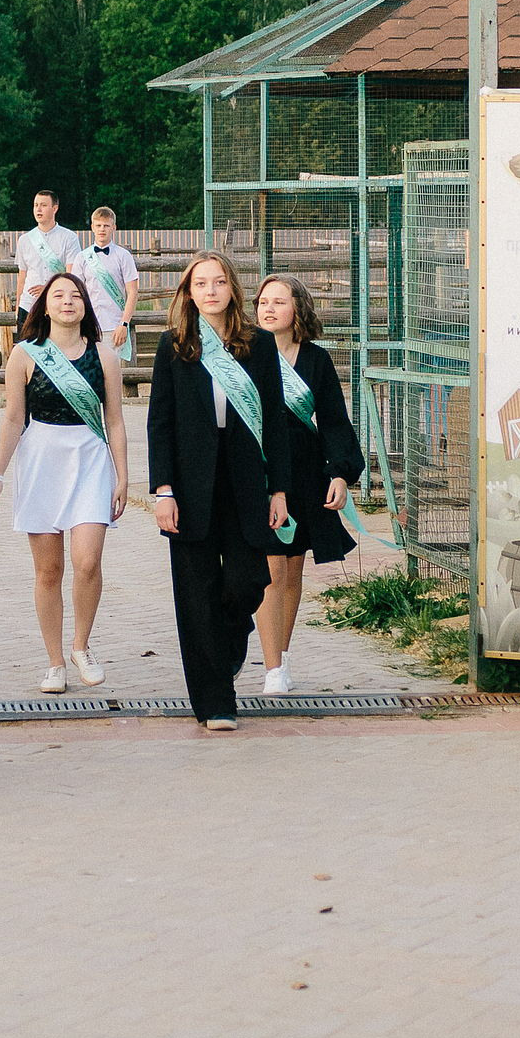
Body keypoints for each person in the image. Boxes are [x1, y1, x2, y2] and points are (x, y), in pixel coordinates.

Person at [146, 251, 291, 730]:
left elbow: (275, 422)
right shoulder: (174, 345)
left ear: (232, 289)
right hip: (189, 485)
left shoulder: (259, 345)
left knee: (247, 581)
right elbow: (160, 423)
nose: (210, 291)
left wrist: (280, 489)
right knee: (195, 593)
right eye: (200, 283)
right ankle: (215, 703)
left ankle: (230, 639)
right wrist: (162, 490)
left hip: (247, 479)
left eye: (219, 282)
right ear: (189, 292)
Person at [0, 272, 128, 693]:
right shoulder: (24, 354)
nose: (68, 302)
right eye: (58, 295)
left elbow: (116, 420)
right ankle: (54, 662)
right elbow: (14, 418)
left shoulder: (104, 355)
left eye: (76, 295)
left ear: (85, 305)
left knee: (87, 562)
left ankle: (81, 645)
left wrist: (124, 475)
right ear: (43, 306)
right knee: (48, 569)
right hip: (41, 460)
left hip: (89, 458)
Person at [252, 274, 366, 696]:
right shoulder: (243, 354)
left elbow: (334, 421)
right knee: (270, 568)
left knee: (292, 567)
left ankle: (278, 658)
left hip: (303, 469)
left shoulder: (316, 360)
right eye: (263, 301)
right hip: (258, 469)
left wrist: (340, 472)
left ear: (297, 308)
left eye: (279, 302)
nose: (269, 309)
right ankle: (270, 663)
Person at [80, 205, 142, 362]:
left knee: (112, 375)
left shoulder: (123, 256)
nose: (102, 229)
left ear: (114, 227)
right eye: (99, 225)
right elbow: (77, 292)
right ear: (92, 227)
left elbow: (133, 292)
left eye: (106, 225)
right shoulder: (82, 257)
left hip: (113, 326)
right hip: (88, 325)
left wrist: (124, 324)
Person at [14, 189, 84, 312]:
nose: (38, 209)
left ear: (55, 208)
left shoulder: (69, 238)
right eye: (36, 205)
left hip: (57, 307)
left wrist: (48, 289)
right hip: (28, 306)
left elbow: (71, 276)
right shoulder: (24, 240)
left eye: (43, 205)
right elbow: (22, 277)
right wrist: (18, 308)